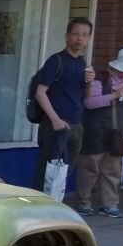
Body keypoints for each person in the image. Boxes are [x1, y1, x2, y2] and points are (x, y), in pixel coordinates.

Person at [75, 47, 123, 218]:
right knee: (89, 169)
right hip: (94, 132)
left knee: (113, 170)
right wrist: (114, 95)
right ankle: (83, 203)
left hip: (115, 135)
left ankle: (110, 204)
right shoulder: (100, 79)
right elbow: (89, 103)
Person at [33, 18, 93, 192]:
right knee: (47, 171)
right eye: (75, 34)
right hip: (55, 125)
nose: (79, 39)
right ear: (67, 36)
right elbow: (40, 92)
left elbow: (86, 98)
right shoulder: (56, 60)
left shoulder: (83, 63)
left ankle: (55, 207)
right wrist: (55, 120)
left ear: (89, 38)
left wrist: (90, 82)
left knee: (64, 171)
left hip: (76, 124)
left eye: (84, 35)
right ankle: (39, 208)